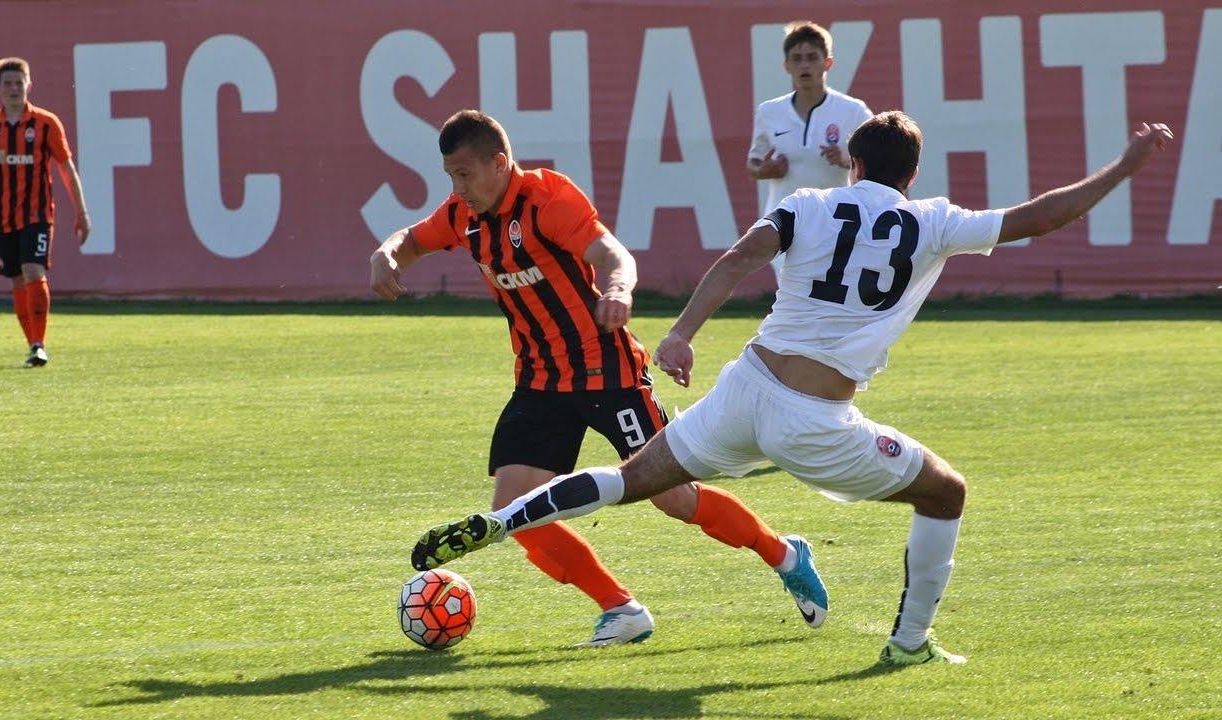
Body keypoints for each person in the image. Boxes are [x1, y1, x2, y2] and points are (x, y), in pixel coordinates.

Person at [412, 112, 1175, 664]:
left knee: (630, 480)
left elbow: (744, 255)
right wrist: (1122, 168)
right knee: (946, 492)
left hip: (744, 387)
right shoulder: (932, 221)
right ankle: (910, 646)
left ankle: (508, 518)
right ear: (908, 176)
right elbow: (1039, 218)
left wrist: (681, 334)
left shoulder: (807, 203)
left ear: (852, 167)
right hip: (813, 421)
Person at [371, 109, 817, 647]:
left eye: (464, 174)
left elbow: (612, 254)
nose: (457, 187)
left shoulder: (548, 200)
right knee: (512, 512)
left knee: (675, 499)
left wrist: (618, 290)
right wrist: (386, 253)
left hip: (610, 375)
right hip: (540, 382)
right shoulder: (464, 217)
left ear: (499, 162)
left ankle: (785, 554)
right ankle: (621, 609)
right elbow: (411, 239)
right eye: (450, 176)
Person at [0, 56, 90, 368]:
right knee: (16, 280)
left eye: (19, 83)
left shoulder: (46, 123)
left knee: (33, 270)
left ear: (29, 85)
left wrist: (82, 212)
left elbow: (67, 169)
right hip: (2, 218)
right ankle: (32, 344)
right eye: (8, 84)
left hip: (38, 215)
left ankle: (40, 343)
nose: (14, 88)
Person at [748, 21, 873, 278]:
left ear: (828, 63)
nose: (804, 65)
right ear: (787, 65)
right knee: (795, 297)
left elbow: (879, 164)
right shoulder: (770, 112)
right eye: (797, 58)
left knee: (833, 299)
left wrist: (847, 161)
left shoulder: (854, 111)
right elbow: (754, 164)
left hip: (838, 221)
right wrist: (765, 169)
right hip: (786, 221)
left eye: (812, 58)